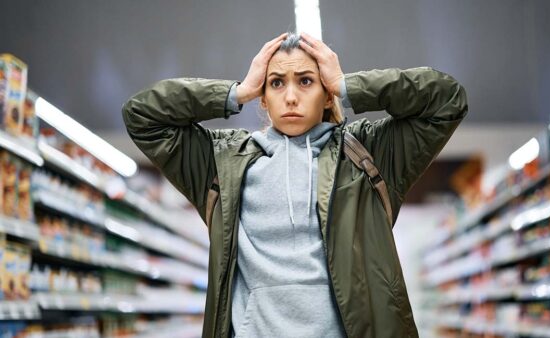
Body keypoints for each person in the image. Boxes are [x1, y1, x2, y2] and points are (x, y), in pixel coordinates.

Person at [122, 32, 468, 338]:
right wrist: (235, 93)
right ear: (263, 96)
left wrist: (349, 86)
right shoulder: (223, 162)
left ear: (327, 93)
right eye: (276, 83)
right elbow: (142, 116)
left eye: (305, 81)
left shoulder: (368, 154)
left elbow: (447, 100)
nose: (290, 96)